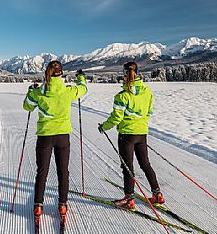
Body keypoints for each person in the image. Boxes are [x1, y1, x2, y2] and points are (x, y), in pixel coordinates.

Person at [23, 61, 87, 217]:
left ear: (47, 73)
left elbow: (27, 106)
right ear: (61, 74)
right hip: (62, 137)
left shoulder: (39, 92)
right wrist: (81, 78)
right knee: (63, 171)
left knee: (42, 171)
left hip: (45, 136)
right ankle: (62, 205)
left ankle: (38, 205)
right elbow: (83, 89)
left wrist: (30, 91)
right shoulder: (68, 91)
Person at [98, 62, 164, 210]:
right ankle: (157, 194)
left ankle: (129, 199)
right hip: (141, 133)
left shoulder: (122, 96)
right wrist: (140, 124)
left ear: (124, 74)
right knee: (145, 164)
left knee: (128, 167)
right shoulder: (147, 91)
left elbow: (116, 118)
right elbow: (149, 112)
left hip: (127, 135)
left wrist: (104, 127)